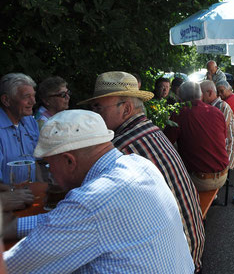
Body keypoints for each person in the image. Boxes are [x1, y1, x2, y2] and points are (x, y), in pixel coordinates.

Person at [3, 109, 194, 273]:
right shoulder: (139, 164)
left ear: (69, 161)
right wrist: (13, 227)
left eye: (48, 163)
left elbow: (11, 266)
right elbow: (64, 222)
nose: (49, 171)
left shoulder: (92, 201)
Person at [78, 71, 205, 272]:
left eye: (97, 107)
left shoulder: (118, 150)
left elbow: (87, 215)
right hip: (192, 249)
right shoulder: (152, 130)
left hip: (178, 260)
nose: (93, 114)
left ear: (127, 108)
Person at [165, 82, 229, 191]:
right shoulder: (217, 112)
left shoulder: (180, 113)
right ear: (201, 95)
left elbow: (166, 143)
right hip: (223, 175)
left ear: (180, 98)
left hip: (199, 180)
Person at [0, 74, 38, 185]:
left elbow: (36, 160)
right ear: (6, 100)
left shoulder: (30, 122)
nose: (33, 101)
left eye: (33, 96)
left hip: (29, 195)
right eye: (26, 96)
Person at [200, 80, 234, 169]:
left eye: (201, 94)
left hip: (225, 156)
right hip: (220, 151)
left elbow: (216, 137)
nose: (199, 97)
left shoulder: (222, 107)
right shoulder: (213, 106)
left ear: (209, 93)